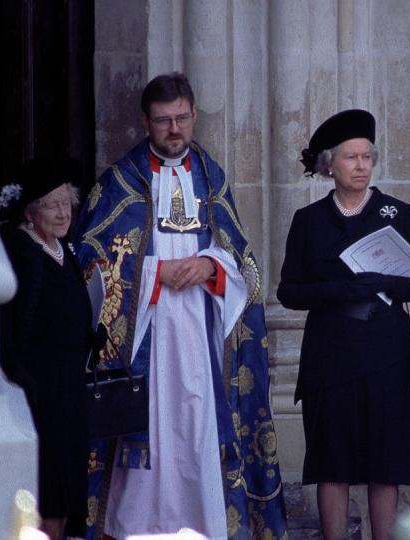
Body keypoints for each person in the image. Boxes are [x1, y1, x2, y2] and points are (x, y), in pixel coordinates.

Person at [72, 72, 286, 539]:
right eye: (164, 120)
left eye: (183, 119)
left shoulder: (213, 180)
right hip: (143, 341)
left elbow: (241, 258)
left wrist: (213, 268)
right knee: (147, 439)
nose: (175, 130)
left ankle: (205, 526)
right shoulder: (118, 184)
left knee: (198, 431)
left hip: (202, 338)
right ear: (145, 121)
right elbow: (90, 261)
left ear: (193, 115)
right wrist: (153, 275)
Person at [277, 109, 410, 540]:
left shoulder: (397, 213)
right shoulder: (309, 221)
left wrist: (387, 281)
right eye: (351, 157)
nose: (361, 166)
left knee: (383, 465)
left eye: (367, 157)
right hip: (330, 356)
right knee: (332, 462)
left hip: (387, 354)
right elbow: (288, 292)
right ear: (330, 164)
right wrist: (338, 289)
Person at [0, 157, 94, 540]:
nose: (62, 212)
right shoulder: (22, 252)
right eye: (52, 205)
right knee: (47, 501)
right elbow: (13, 326)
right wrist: (24, 379)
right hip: (42, 391)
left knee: (68, 498)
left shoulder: (62, 250)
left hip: (68, 388)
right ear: (31, 211)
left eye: (66, 203)